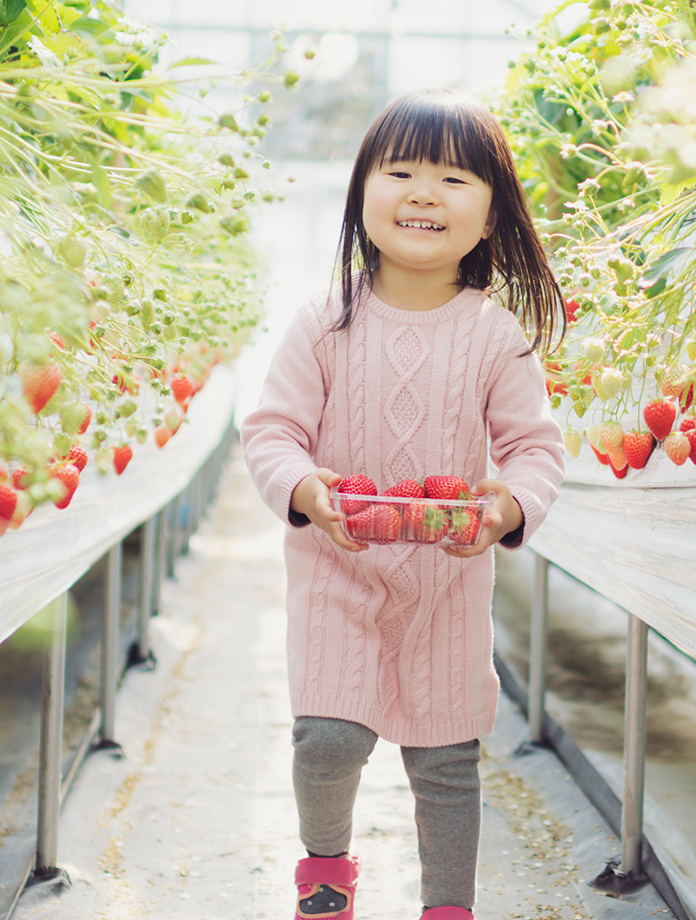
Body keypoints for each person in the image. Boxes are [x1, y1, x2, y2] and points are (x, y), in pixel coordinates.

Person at [240, 89, 567, 920]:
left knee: (447, 760)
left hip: (447, 590)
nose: (424, 193)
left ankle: (448, 908)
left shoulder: (495, 336)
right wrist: (309, 491)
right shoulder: (324, 322)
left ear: (491, 218)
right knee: (327, 739)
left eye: (455, 178)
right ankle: (326, 881)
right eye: (401, 171)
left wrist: (505, 508)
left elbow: (535, 449)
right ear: (362, 196)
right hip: (336, 576)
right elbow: (272, 430)